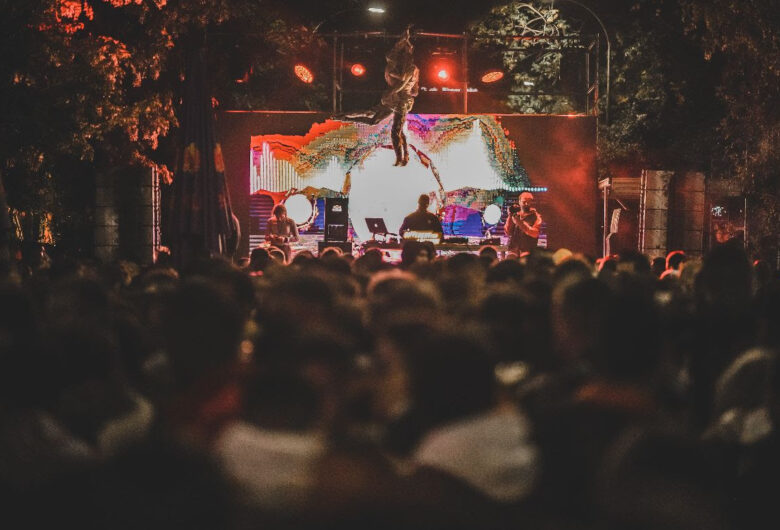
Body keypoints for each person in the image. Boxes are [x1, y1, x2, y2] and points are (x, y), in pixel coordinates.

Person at [334, 27, 419, 166]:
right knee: (373, 118)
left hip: (400, 101)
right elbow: (392, 55)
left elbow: (404, 84)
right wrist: (403, 40)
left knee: (396, 130)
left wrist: (395, 89)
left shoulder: (410, 68)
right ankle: (344, 117)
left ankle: (401, 158)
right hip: (393, 99)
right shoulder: (396, 65)